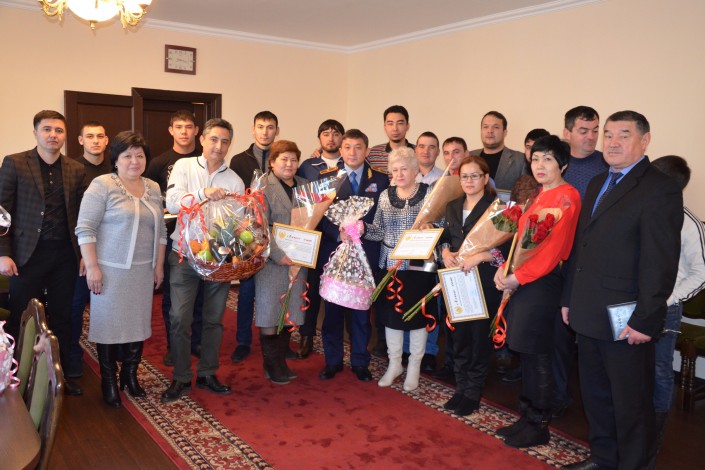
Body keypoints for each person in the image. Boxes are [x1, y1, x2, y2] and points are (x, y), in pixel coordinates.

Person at [561, 111, 682, 470]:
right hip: (589, 311)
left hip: (627, 320)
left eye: (623, 135)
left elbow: (660, 262)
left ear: (645, 141)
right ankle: (603, 459)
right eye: (608, 135)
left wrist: (646, 319)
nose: (612, 143)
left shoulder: (659, 188)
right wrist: (569, 298)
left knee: (631, 405)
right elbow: (581, 246)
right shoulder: (599, 182)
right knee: (596, 397)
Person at [494, 135, 581, 448]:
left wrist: (517, 277)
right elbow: (521, 243)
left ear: (563, 165)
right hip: (525, 280)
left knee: (538, 353)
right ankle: (527, 415)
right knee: (526, 353)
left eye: (548, 159)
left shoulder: (567, 196)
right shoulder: (540, 195)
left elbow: (553, 251)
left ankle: (539, 424)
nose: (540, 165)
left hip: (543, 282)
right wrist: (505, 269)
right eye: (535, 159)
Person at [75, 131, 167, 408]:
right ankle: (109, 380)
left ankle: (130, 374)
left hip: (143, 270)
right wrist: (92, 266)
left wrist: (158, 265)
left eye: (140, 155)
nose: (134, 161)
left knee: (138, 324)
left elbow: (161, 231)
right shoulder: (102, 185)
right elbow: (85, 228)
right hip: (110, 271)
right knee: (109, 325)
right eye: (127, 156)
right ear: (115, 159)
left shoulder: (153, 187)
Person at [0, 110, 87, 397]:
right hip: (26, 255)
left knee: (62, 316)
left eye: (59, 130)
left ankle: (56, 377)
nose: (53, 135)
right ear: (36, 132)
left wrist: (84, 254)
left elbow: (82, 216)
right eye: (47, 129)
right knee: (22, 317)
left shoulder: (75, 169)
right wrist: (3, 254)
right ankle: (16, 376)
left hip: (65, 255)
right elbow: (1, 211)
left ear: (65, 135)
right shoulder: (15, 163)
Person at [161, 118, 245, 403]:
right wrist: (202, 194)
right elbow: (172, 202)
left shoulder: (234, 181)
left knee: (213, 319)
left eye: (225, 141)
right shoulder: (184, 166)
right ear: (202, 140)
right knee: (179, 318)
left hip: (218, 260)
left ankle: (208, 373)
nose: (218, 146)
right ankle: (181, 376)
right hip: (183, 256)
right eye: (214, 139)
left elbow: (237, 223)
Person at [361, 147, 436, 391]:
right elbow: (379, 231)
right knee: (391, 317)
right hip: (390, 264)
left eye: (404, 169)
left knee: (417, 317)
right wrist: (361, 228)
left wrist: (431, 227)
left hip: (420, 265)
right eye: (395, 170)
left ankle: (414, 366)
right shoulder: (384, 195)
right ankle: (395, 365)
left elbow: (442, 225)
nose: (399, 174)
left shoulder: (429, 194)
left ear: (415, 171)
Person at [318, 129, 389, 381]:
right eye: (347, 147)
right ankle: (332, 361)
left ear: (367, 151)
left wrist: (362, 230)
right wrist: (337, 233)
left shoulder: (381, 180)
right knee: (332, 312)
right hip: (335, 254)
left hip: (366, 254)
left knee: (361, 313)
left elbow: (383, 219)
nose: (352, 152)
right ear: (340, 150)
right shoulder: (327, 179)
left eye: (358, 147)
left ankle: (360, 361)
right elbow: (317, 217)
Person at [551, 107, 608, 417]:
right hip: (558, 263)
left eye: (595, 130)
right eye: (584, 130)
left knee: (589, 339)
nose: (591, 137)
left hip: (593, 265)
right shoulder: (558, 165)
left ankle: (596, 406)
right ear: (567, 133)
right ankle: (558, 395)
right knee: (557, 335)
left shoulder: (607, 165)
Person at [439, 155, 507, 416]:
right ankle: (460, 388)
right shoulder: (452, 205)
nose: (469, 181)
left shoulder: (497, 208)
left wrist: (481, 256)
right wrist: (445, 251)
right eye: (464, 176)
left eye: (475, 176)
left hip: (483, 281)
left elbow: (507, 249)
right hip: (457, 280)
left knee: (479, 338)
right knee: (458, 336)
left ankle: (473, 392)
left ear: (485, 178)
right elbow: (445, 237)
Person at [650, 156, 705, 458]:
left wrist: (668, 299)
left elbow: (701, 273)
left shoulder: (689, 223)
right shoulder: (642, 212)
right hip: (632, 305)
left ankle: (653, 439)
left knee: (660, 372)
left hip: (665, 310)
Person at [144, 110, 204, 367]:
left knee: (201, 293)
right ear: (171, 130)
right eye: (178, 126)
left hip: (202, 237)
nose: (184, 131)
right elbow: (150, 200)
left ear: (196, 131)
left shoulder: (203, 159)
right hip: (171, 237)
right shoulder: (159, 163)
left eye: (188, 126)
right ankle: (173, 345)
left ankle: (197, 341)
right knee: (172, 294)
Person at [255, 140, 309, 384]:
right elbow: (257, 226)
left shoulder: (306, 187)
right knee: (270, 311)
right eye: (283, 159)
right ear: (272, 162)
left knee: (290, 311)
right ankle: (271, 364)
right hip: (272, 261)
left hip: (298, 259)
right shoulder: (262, 186)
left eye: (293, 159)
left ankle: (280, 360)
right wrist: (277, 254)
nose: (289, 164)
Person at [229, 111, 280, 364]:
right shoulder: (239, 160)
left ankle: (276, 339)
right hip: (248, 235)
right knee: (247, 291)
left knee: (276, 289)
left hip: (277, 232)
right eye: (261, 126)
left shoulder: (281, 157)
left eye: (270, 127)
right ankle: (243, 341)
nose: (265, 132)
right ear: (253, 129)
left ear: (276, 131)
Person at [296, 119, 345, 358]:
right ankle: (306, 336)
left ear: (342, 138)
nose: (331, 138)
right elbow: (300, 199)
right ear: (319, 138)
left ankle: (337, 340)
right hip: (314, 236)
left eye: (336, 134)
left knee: (339, 289)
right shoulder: (308, 166)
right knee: (311, 289)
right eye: (326, 133)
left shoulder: (350, 162)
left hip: (342, 237)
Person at [66, 120, 112, 379]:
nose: (96, 140)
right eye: (90, 136)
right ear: (81, 140)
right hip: (82, 252)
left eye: (100, 136)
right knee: (75, 305)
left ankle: (111, 354)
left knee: (110, 305)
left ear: (106, 140)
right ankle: (73, 357)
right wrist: (84, 254)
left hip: (113, 249)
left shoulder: (116, 168)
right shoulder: (72, 169)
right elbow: (72, 215)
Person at [470, 111, 525, 190]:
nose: (490, 131)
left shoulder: (520, 160)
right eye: (485, 127)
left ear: (504, 132)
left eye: (496, 127)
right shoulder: (469, 156)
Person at [367, 105, 414, 173]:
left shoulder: (418, 153)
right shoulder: (373, 154)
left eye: (400, 123)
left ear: (407, 126)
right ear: (385, 127)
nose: (395, 128)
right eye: (390, 124)